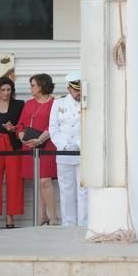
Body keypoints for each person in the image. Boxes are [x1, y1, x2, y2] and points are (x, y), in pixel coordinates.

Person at [17, 73, 58, 225]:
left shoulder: (54, 103)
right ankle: (42, 216)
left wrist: (40, 139)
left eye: (33, 85)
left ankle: (53, 217)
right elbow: (21, 124)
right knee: (37, 181)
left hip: (46, 145)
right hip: (29, 146)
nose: (31, 88)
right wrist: (22, 137)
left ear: (41, 86)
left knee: (45, 181)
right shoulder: (28, 103)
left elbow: (54, 125)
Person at [49, 72, 86, 227]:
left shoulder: (87, 102)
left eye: (80, 90)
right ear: (68, 88)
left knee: (84, 191)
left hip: (83, 153)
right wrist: (64, 145)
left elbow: (92, 126)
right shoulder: (59, 104)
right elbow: (53, 128)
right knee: (66, 191)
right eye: (75, 90)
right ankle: (68, 224)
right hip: (64, 153)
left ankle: (85, 224)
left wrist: (78, 144)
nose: (78, 93)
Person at [0, 77, 25, 229]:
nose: (6, 93)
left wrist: (14, 128)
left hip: (13, 146)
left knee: (14, 181)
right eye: (3, 90)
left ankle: (10, 220)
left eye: (9, 90)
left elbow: (23, 125)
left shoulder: (19, 105)